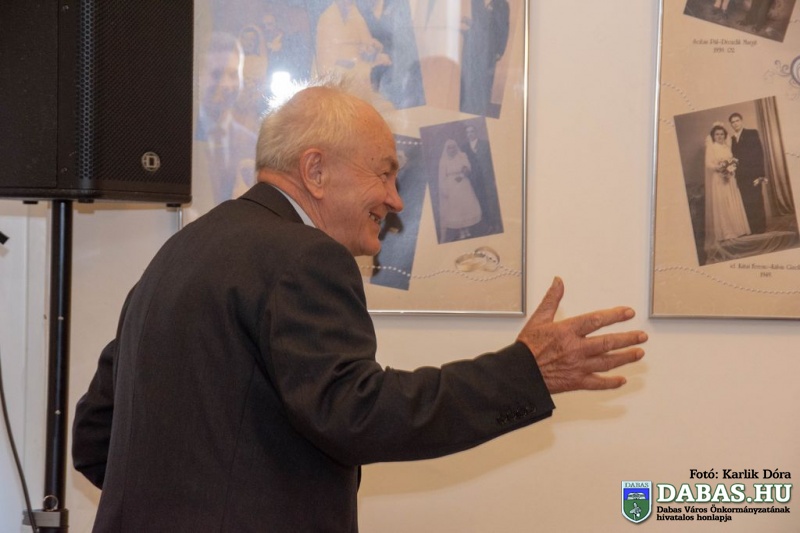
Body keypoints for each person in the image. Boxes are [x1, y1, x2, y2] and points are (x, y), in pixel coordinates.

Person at [72, 77, 647, 532]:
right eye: (385, 173)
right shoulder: (304, 256)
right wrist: (526, 370)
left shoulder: (180, 252)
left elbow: (96, 435)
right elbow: (356, 416)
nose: (396, 201)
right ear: (315, 170)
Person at [196, 32, 258, 204]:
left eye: (233, 74)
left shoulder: (252, 144)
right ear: (198, 77)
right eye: (216, 74)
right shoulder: (184, 140)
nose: (225, 84)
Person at [704, 123, 750, 257]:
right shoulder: (711, 148)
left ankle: (738, 229)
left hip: (730, 178)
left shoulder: (727, 147)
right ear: (713, 136)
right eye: (717, 134)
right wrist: (719, 168)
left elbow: (732, 160)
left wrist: (731, 167)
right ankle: (726, 232)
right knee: (723, 202)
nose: (719, 136)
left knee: (732, 200)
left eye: (722, 134)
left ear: (725, 135)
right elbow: (708, 164)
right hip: (719, 178)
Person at [437, 138, 483, 241]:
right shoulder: (443, 160)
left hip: (463, 184)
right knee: (457, 208)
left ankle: (467, 230)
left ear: (456, 147)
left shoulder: (462, 156)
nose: (452, 150)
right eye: (449, 148)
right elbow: (442, 177)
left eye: (453, 147)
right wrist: (444, 189)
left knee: (465, 206)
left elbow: (467, 168)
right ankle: (461, 231)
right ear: (446, 149)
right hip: (452, 187)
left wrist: (462, 174)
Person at [729, 112, 767, 234]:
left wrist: (760, 175)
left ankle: (760, 228)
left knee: (756, 200)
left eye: (737, 121)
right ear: (731, 125)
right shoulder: (732, 139)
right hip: (741, 176)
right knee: (746, 201)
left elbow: (759, 154)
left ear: (741, 121)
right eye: (733, 122)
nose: (735, 124)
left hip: (753, 174)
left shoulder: (752, 133)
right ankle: (752, 228)